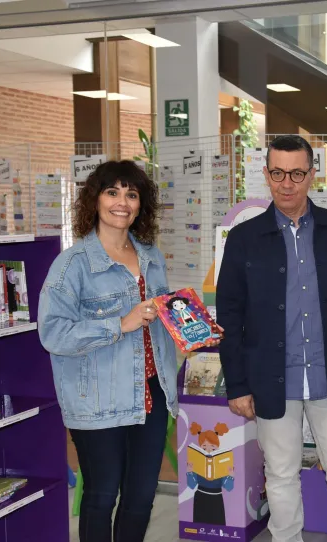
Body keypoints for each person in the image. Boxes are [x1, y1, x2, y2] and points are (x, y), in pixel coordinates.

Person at [216, 135, 327, 542]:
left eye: (297, 173)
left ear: (313, 174)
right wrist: (238, 385)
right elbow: (230, 317)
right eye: (277, 173)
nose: (287, 183)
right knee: (280, 476)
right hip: (271, 379)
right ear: (266, 175)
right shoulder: (244, 239)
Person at [38, 160, 214, 542]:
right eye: (112, 192)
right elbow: (53, 334)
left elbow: (159, 323)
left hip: (150, 395)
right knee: (101, 497)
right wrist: (119, 323)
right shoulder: (72, 265)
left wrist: (193, 328)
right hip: (98, 400)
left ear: (141, 204)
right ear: (94, 200)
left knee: (140, 499)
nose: (123, 202)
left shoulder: (151, 256)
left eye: (131, 194)